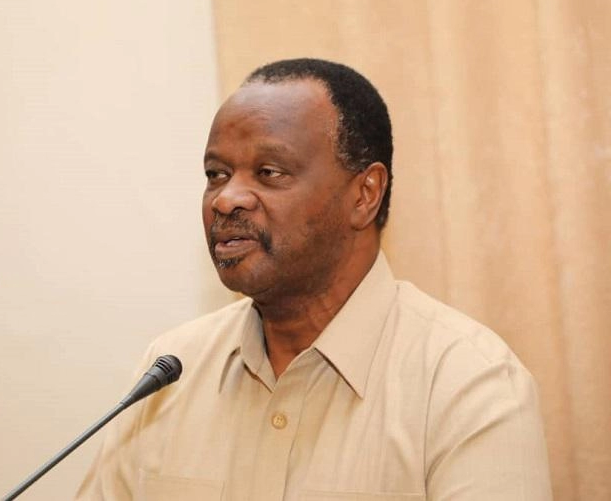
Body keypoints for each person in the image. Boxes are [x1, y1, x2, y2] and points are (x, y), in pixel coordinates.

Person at [76, 58, 552, 500]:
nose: (226, 199)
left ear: (364, 194)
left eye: (269, 172)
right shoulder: (170, 372)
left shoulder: (469, 384)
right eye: (216, 174)